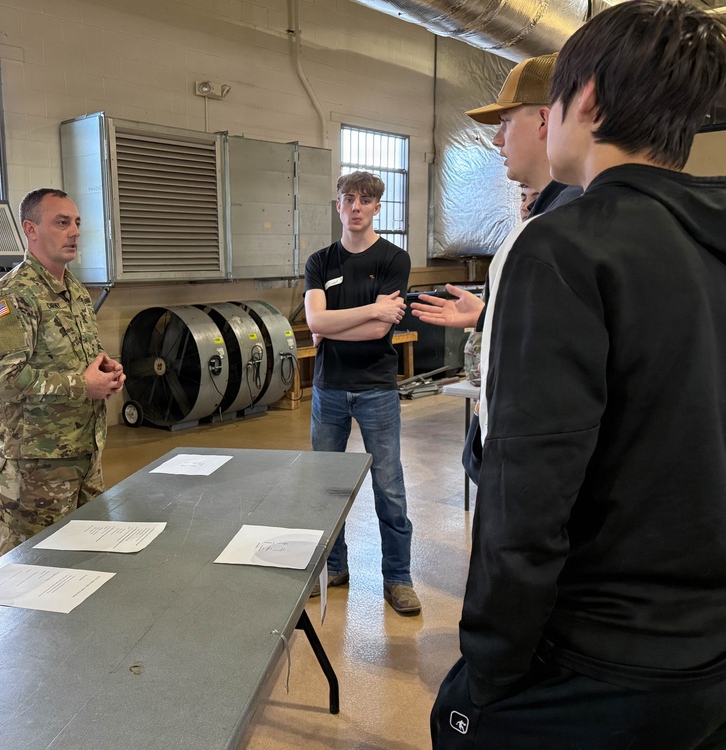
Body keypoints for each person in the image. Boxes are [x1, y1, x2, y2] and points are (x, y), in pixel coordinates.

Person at [432, 1, 726, 746]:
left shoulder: (563, 247)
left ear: (583, 100)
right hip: (705, 651)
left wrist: (489, 670)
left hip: (600, 653)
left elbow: (529, 491)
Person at [0, 188, 124, 556]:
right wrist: (81, 385)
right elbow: (0, 379)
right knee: (33, 567)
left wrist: (105, 370)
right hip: (37, 467)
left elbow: (77, 358)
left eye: (76, 223)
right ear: (31, 229)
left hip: (84, 454)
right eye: (62, 223)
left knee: (86, 562)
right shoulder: (11, 296)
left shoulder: (73, 289)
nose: (74, 232)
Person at [303, 171, 417, 614]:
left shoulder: (394, 259)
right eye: (348, 199)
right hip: (329, 389)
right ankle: (334, 568)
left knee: (388, 485)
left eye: (364, 200)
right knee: (325, 485)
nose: (355, 207)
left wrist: (335, 324)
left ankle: (399, 577)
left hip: (376, 389)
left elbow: (377, 332)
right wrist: (370, 310)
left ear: (375, 208)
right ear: (337, 206)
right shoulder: (320, 261)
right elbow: (316, 323)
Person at [410, 53, 582, 331]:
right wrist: (489, 316)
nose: (496, 139)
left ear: (543, 121)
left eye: (505, 121)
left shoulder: (565, 222)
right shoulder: (553, 213)